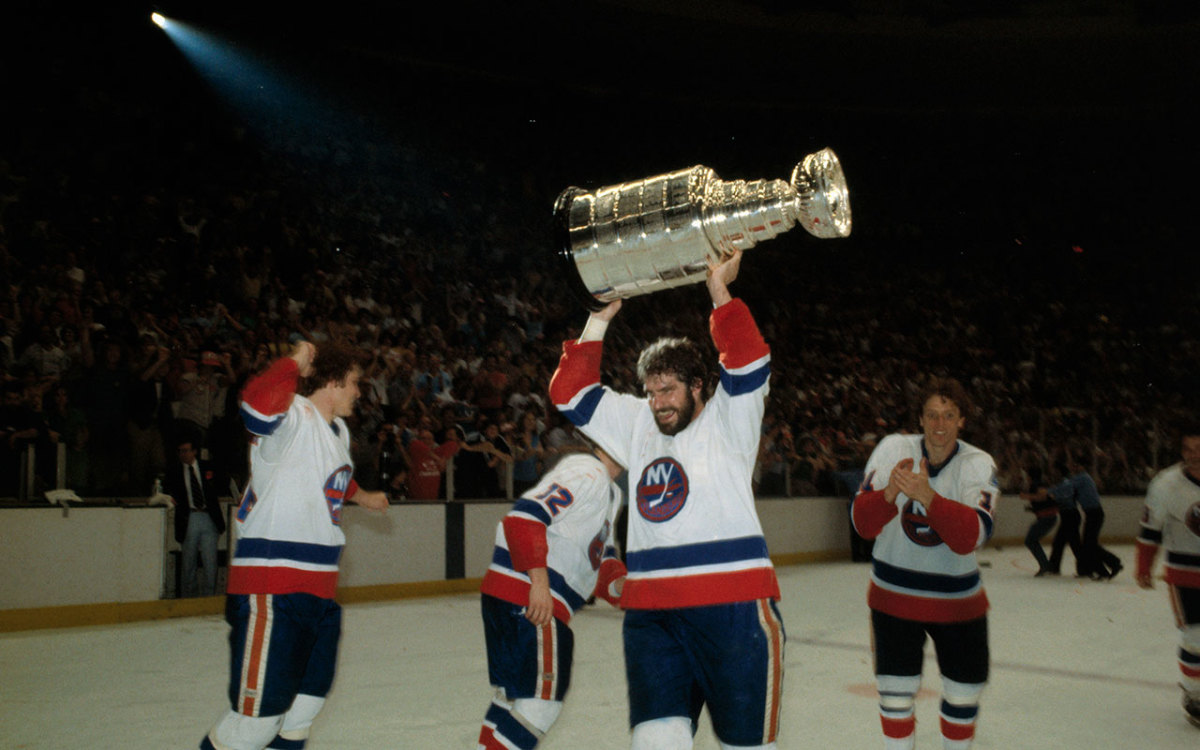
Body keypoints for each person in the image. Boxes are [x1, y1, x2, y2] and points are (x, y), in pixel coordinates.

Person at [548, 251, 785, 749]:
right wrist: (598, 318)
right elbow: (569, 393)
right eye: (651, 391)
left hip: (731, 608)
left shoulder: (730, 416)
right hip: (653, 615)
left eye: (669, 390)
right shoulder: (638, 421)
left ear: (698, 386)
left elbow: (748, 357)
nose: (659, 402)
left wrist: (719, 290)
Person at [199, 340, 388, 750]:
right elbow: (255, 407)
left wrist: (363, 496)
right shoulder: (292, 414)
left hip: (317, 593)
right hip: (274, 588)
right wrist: (294, 362)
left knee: (299, 715)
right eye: (355, 382)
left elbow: (328, 478)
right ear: (333, 382)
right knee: (255, 725)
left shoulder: (335, 430)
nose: (360, 392)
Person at [851, 377, 999, 750]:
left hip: (958, 604)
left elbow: (971, 537)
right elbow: (862, 525)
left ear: (962, 420)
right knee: (895, 697)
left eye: (949, 415)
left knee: (964, 696)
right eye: (932, 415)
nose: (939, 425)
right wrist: (889, 493)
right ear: (920, 418)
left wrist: (927, 497)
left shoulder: (977, 464)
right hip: (893, 600)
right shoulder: (892, 449)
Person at [476, 443, 626, 749]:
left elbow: (599, 560)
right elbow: (525, 518)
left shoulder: (613, 492)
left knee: (512, 698)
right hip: (530, 596)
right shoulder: (589, 471)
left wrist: (626, 587)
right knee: (541, 704)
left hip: (515, 593)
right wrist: (539, 583)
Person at [1136, 422, 1200, 728]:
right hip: (1185, 575)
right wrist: (1142, 567)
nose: (1193, 456)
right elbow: (1151, 529)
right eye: (1188, 449)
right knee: (1195, 638)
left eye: (1199, 449)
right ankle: (1195, 694)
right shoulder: (1166, 484)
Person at [167, 437, 227, 597]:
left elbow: (221, 484)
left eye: (186, 451)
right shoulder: (175, 471)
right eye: (180, 451)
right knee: (188, 562)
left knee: (210, 562)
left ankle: (209, 596)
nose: (183, 454)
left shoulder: (207, 467)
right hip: (190, 517)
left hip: (208, 517)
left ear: (194, 452)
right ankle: (189, 598)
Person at [1018, 468, 1059, 577]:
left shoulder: (1036, 484)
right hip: (1047, 517)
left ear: (1030, 477)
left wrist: (1026, 496)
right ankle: (1046, 564)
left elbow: (1042, 496)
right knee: (1031, 540)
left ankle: (1045, 565)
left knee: (1030, 540)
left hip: (1047, 517)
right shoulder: (1039, 484)